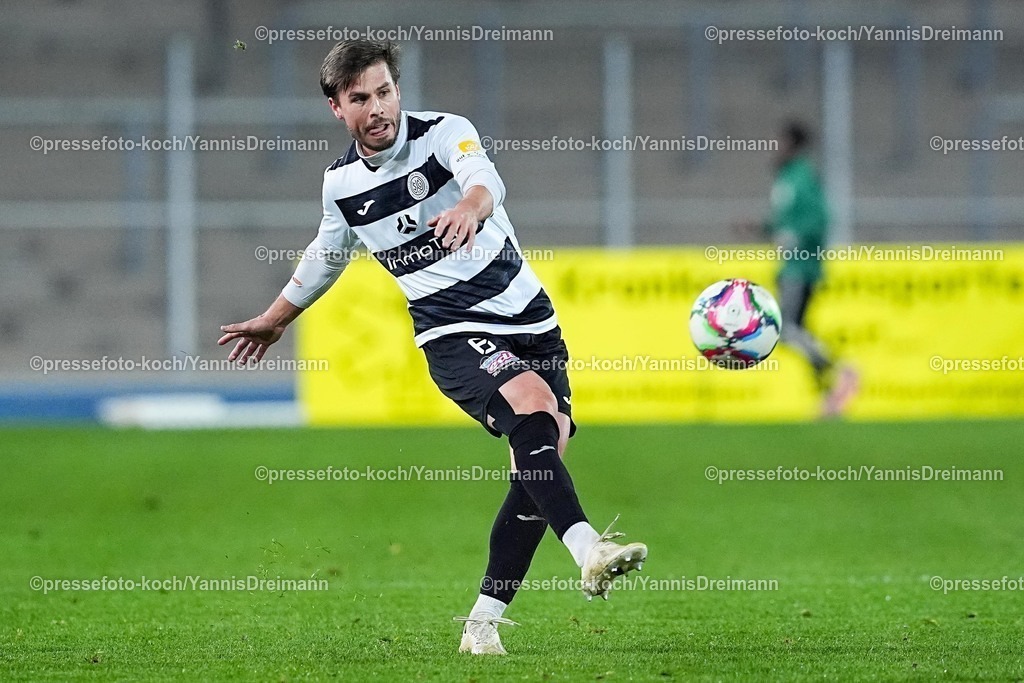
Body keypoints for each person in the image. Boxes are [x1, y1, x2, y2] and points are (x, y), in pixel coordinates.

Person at [217, 39, 647, 656]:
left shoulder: (445, 134)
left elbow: (484, 179)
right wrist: (276, 318)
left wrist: (472, 205)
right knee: (532, 408)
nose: (377, 108)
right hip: (450, 328)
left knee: (539, 465)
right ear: (337, 107)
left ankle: (482, 623)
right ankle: (588, 549)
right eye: (360, 98)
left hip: (531, 317)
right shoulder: (341, 185)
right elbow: (327, 253)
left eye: (385, 91)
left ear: (398, 90)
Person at [763, 120, 857, 416]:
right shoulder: (786, 177)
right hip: (789, 267)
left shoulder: (802, 177)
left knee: (787, 330)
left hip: (801, 268)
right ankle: (830, 399)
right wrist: (761, 228)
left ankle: (841, 370)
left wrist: (794, 236)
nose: (775, 148)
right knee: (797, 332)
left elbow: (820, 219)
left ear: (793, 144)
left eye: (780, 141)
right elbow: (785, 221)